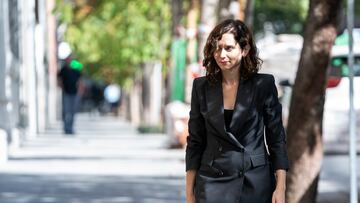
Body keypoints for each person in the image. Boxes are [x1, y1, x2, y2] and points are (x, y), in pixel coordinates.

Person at [185, 19, 289, 203]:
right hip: (212, 182)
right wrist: (189, 193)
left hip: (254, 182)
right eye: (217, 48)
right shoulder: (201, 87)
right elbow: (195, 141)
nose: (221, 54)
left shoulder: (263, 85)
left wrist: (280, 187)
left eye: (228, 48)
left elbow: (276, 139)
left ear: (245, 49)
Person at [57, 57, 82, 134]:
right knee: (66, 111)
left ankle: (70, 128)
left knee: (72, 111)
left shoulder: (76, 71)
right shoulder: (63, 70)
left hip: (74, 93)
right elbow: (59, 79)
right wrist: (62, 88)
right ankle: (66, 128)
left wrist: (80, 91)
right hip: (66, 93)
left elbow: (80, 81)